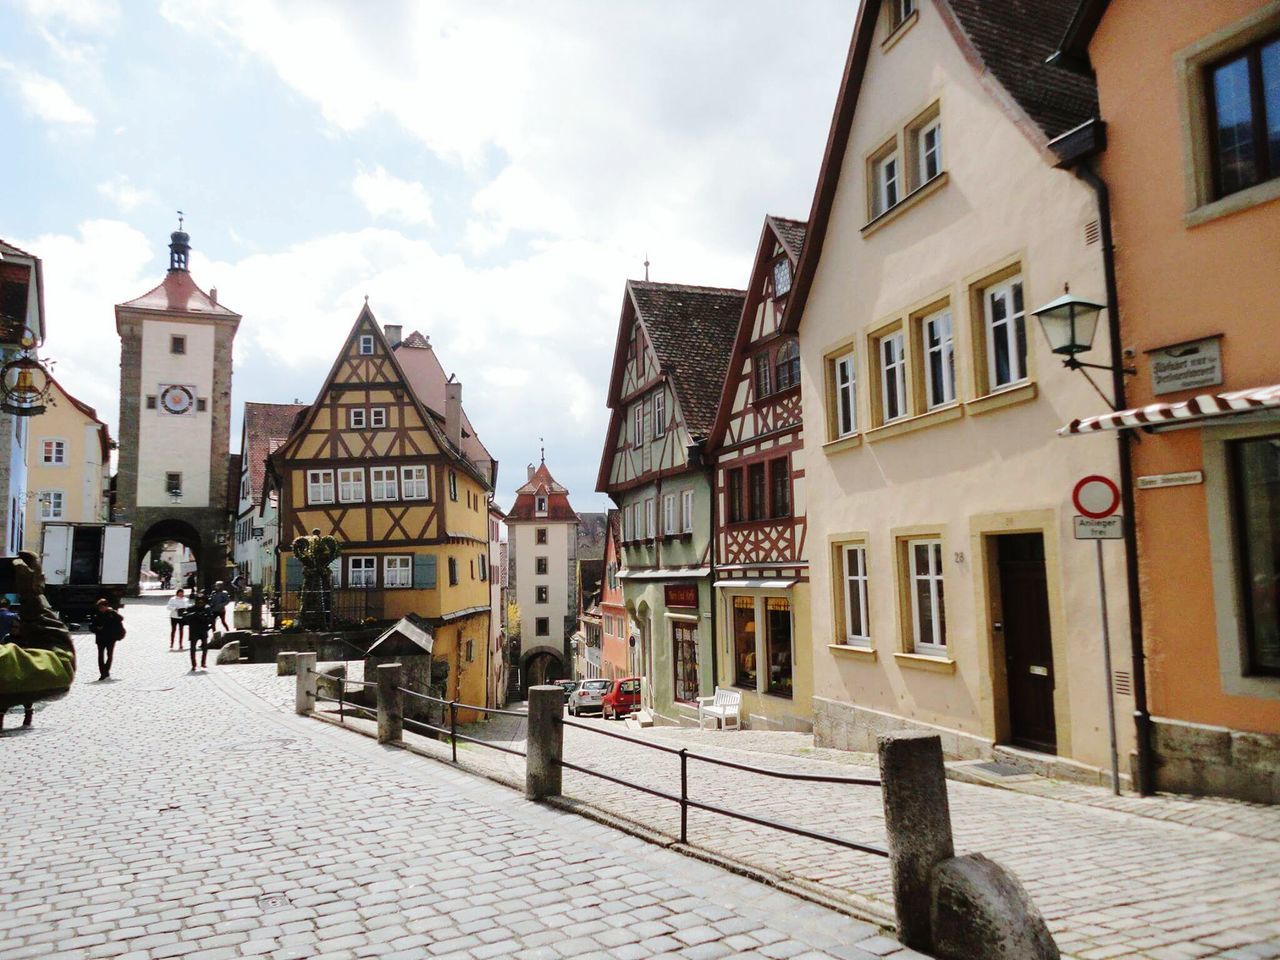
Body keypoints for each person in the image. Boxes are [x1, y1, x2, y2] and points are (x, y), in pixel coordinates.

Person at [90, 598, 125, 681]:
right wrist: (97, 629)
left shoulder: (112, 614)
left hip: (110, 638)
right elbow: (92, 627)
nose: (101, 609)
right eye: (100, 607)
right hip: (100, 638)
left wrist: (113, 611)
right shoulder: (97, 615)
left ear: (106, 606)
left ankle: (106, 670)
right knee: (100, 656)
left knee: (109, 655)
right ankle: (103, 673)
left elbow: (121, 619)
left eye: (102, 607)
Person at [181, 594, 216, 672]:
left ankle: (203, 663)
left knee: (205, 648)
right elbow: (184, 616)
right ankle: (194, 664)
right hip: (193, 630)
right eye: (199, 601)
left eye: (202, 601)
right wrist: (194, 615)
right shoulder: (191, 608)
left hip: (203, 630)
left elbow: (210, 619)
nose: (200, 603)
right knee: (193, 648)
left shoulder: (207, 608)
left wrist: (203, 618)